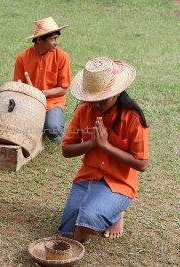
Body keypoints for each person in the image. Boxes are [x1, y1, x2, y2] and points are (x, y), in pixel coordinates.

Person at [59, 57, 149, 242]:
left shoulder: (132, 118)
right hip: (87, 177)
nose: (95, 104)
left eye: (101, 99)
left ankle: (117, 211)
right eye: (92, 99)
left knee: (84, 225)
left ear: (116, 93)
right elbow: (67, 150)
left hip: (119, 183)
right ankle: (111, 211)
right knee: (67, 230)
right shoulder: (84, 110)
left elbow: (141, 164)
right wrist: (91, 144)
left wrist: (105, 146)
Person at [14, 17, 71, 141]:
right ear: (39, 40)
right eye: (53, 39)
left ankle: (53, 123)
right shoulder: (22, 57)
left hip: (52, 102)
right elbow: (18, 85)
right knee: (16, 128)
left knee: (53, 130)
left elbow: (63, 89)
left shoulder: (62, 57)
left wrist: (41, 93)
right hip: (29, 102)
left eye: (57, 38)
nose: (57, 42)